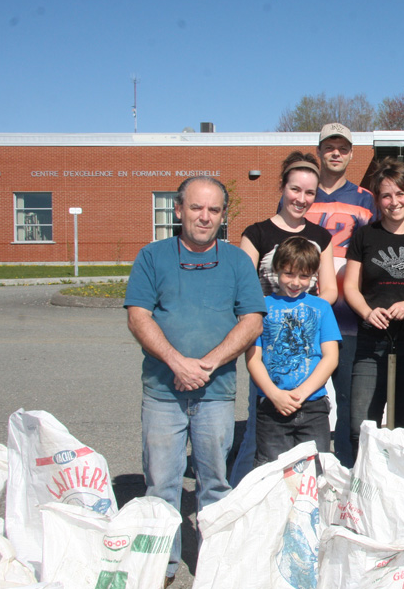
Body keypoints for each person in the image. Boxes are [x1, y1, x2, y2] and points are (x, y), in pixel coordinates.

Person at [124, 176, 265, 584]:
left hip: (216, 392)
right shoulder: (152, 257)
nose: (205, 217)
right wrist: (176, 362)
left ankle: (214, 564)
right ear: (179, 210)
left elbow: (252, 321)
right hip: (163, 393)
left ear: (223, 216)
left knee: (215, 484)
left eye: (214, 210)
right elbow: (138, 316)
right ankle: (162, 566)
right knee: (161, 484)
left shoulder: (237, 261)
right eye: (197, 208)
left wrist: (205, 365)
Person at [229, 152, 336, 485]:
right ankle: (244, 498)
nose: (301, 198)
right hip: (267, 346)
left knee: (312, 448)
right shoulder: (257, 233)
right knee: (257, 438)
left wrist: (302, 317)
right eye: (295, 189)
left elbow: (329, 291)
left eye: (309, 192)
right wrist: (274, 315)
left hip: (306, 349)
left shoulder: (321, 237)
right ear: (282, 187)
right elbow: (242, 291)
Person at [343, 157, 404, 459]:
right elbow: (350, 287)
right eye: (386, 195)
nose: (393, 202)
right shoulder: (364, 236)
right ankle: (365, 482)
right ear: (377, 199)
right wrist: (367, 312)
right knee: (361, 427)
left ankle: (402, 484)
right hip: (371, 343)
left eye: (400, 194)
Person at [305, 123, 376, 467]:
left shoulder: (365, 199)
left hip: (347, 313)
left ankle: (347, 470)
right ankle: (309, 469)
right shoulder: (302, 192)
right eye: (329, 147)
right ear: (319, 151)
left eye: (343, 148)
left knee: (348, 397)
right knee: (306, 392)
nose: (336, 153)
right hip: (305, 307)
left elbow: (374, 252)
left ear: (351, 154)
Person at [247, 236, 341, 463]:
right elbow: (253, 359)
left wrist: (303, 392)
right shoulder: (261, 307)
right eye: (289, 274)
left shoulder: (321, 307)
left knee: (315, 469)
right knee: (273, 471)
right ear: (276, 269)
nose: (296, 282)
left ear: (313, 275)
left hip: (313, 405)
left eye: (304, 276)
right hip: (272, 405)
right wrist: (274, 394)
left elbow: (331, 357)